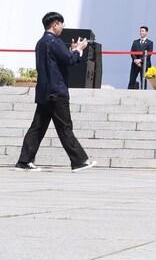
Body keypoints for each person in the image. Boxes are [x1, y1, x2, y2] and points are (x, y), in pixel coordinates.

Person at [16, 11, 98, 172]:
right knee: (65, 127)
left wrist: (72, 50)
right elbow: (69, 60)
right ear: (55, 24)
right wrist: (79, 49)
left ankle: (24, 161)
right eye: (61, 24)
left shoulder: (41, 42)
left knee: (37, 127)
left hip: (44, 92)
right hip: (56, 91)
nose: (62, 27)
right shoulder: (54, 41)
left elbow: (61, 58)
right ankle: (79, 161)